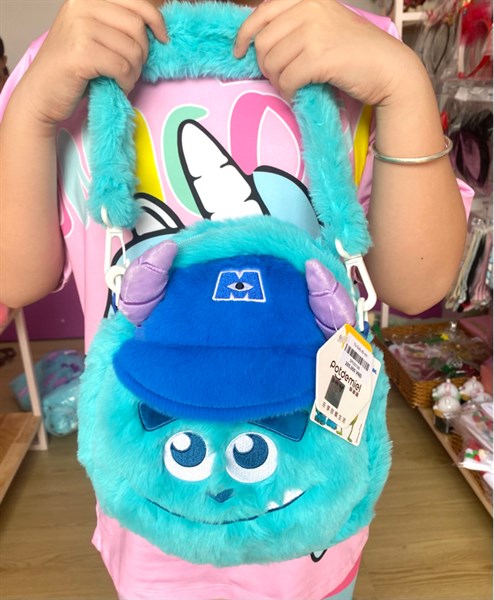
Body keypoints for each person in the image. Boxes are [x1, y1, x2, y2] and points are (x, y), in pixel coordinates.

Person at [0, 1, 470, 599]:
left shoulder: (365, 54)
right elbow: (14, 279)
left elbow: (418, 284)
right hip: (154, 526)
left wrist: (401, 86)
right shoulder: (66, 61)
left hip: (308, 526)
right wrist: (33, 111)